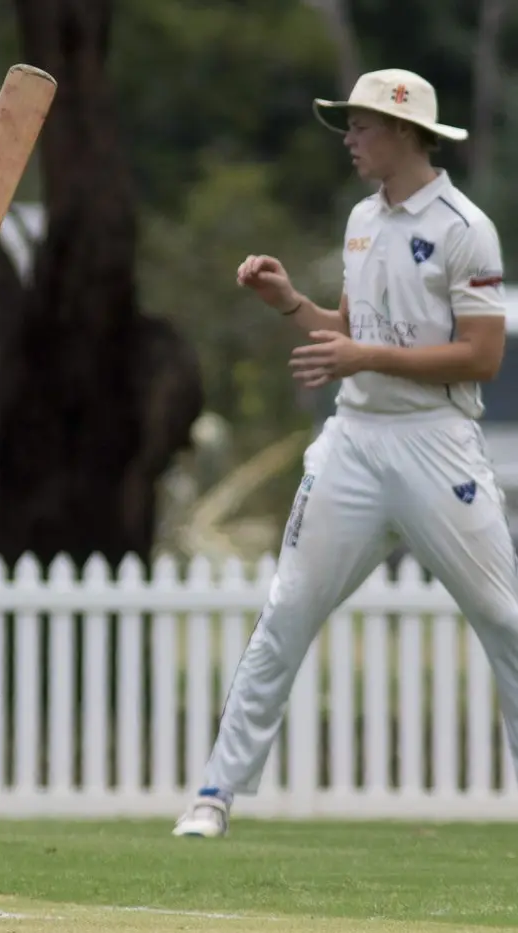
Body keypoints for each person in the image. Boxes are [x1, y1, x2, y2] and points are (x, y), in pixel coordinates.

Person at [172, 68, 518, 838]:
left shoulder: (465, 226)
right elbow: (353, 330)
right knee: (288, 609)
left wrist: (365, 358)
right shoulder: (363, 219)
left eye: (360, 128)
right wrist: (292, 303)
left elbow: (482, 356)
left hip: (436, 442)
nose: (350, 141)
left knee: (505, 618)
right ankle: (216, 793)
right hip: (356, 442)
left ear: (402, 130)